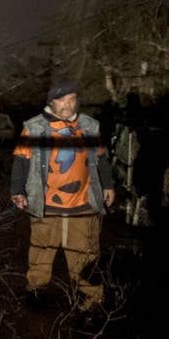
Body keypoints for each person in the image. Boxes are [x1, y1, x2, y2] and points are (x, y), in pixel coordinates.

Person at [11, 80, 115, 311]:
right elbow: (21, 161)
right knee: (41, 249)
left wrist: (108, 185)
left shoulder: (88, 126)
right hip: (46, 203)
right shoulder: (34, 128)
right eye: (62, 100)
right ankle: (36, 294)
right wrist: (17, 190)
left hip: (84, 204)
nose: (68, 105)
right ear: (51, 103)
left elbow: (101, 159)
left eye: (72, 100)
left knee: (86, 254)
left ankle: (92, 301)